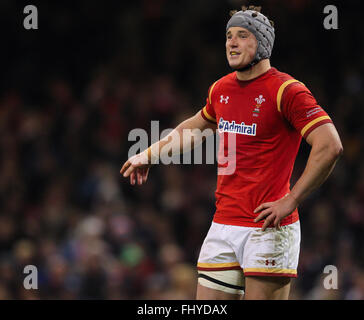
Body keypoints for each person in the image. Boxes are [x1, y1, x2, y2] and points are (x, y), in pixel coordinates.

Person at [120, 5, 343, 300]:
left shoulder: (286, 90)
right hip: (223, 224)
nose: (232, 43)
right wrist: (149, 153)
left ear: (262, 42)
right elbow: (196, 127)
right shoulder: (221, 89)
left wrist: (291, 200)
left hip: (268, 229)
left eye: (242, 36)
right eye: (228, 36)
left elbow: (330, 145)